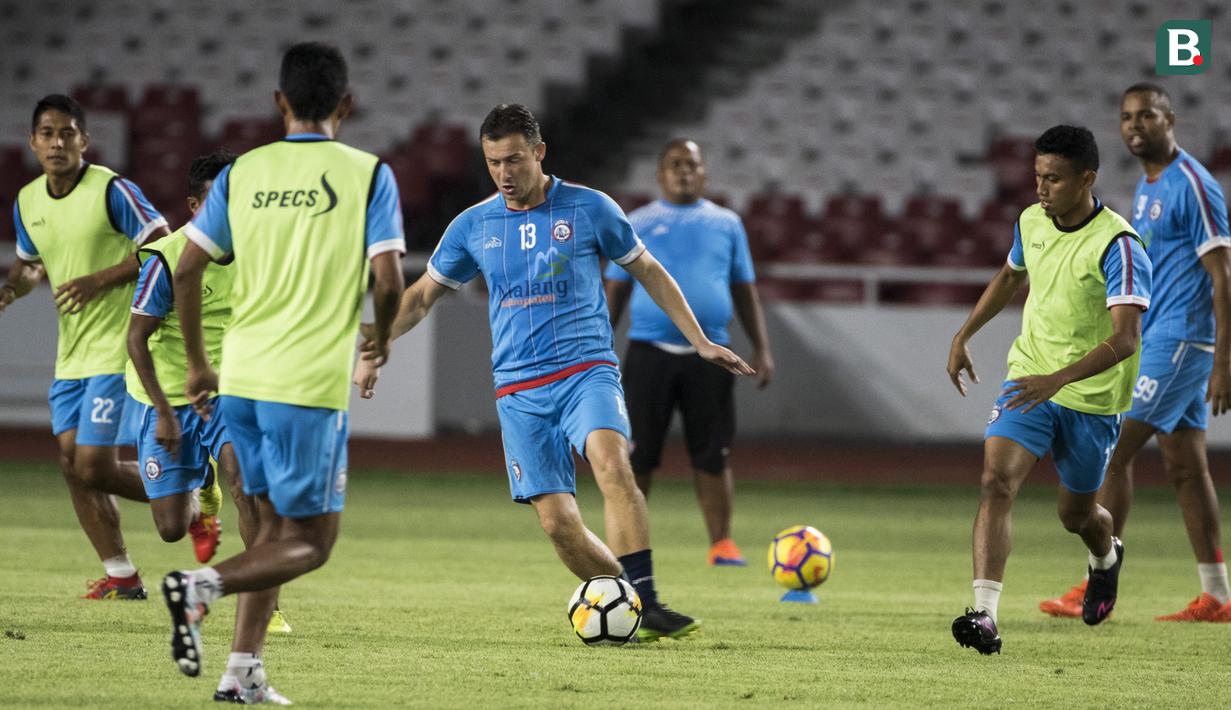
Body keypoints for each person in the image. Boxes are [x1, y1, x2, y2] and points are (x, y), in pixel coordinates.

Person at [353, 104, 753, 641]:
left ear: (539, 153)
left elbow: (649, 272)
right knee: (556, 523)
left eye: (515, 159)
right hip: (518, 389)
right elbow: (422, 295)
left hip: (586, 370)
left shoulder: (590, 209)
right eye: (493, 162)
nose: (504, 173)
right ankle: (627, 600)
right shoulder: (473, 225)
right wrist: (378, 342)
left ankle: (647, 600)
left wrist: (699, 340)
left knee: (613, 465)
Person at [161, 42, 405, 704]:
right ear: (346, 106)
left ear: (279, 102)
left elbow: (185, 268)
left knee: (269, 536)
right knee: (314, 543)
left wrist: (199, 364)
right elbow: (388, 279)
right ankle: (197, 587)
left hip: (239, 378)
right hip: (306, 387)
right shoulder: (367, 174)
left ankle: (241, 673)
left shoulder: (241, 174)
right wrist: (379, 341)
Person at [946, 125, 1152, 654]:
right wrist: (964, 332)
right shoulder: (1031, 221)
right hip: (1029, 377)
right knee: (996, 481)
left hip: (1090, 398)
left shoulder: (1120, 245)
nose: (1040, 189)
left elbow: (1126, 340)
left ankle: (1105, 556)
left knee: (1075, 517)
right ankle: (984, 615)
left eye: (1053, 179)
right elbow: (1010, 276)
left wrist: (1058, 380)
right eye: (1037, 176)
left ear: (1087, 179)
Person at [1039, 83, 1231, 622]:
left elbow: (1224, 276)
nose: (1134, 126)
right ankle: (1216, 594)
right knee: (1186, 468)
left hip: (1182, 339)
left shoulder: (1192, 184)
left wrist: (1224, 360)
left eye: (1146, 115)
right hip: (1166, 339)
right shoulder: (1149, 186)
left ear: (1171, 119)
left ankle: (1097, 580)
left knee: (1114, 450)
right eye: (1125, 117)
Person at [0, 94, 169, 599]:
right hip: (71, 353)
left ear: (84, 141)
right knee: (72, 465)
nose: (57, 142)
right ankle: (122, 576)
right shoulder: (28, 201)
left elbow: (162, 241)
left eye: (67, 133)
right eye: (47, 133)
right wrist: (12, 288)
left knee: (93, 464)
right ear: (32, 142)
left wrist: (101, 279)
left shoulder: (111, 190)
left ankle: (183, 486)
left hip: (118, 347)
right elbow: (31, 263)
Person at [604, 138, 773, 567]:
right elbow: (617, 289)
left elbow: (743, 288)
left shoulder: (727, 223)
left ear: (705, 174)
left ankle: (722, 544)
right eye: (675, 164)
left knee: (713, 454)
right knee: (637, 456)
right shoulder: (636, 220)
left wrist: (762, 347)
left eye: (692, 164)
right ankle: (629, 546)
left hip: (711, 354)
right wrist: (599, 344)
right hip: (648, 352)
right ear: (660, 175)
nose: (684, 171)